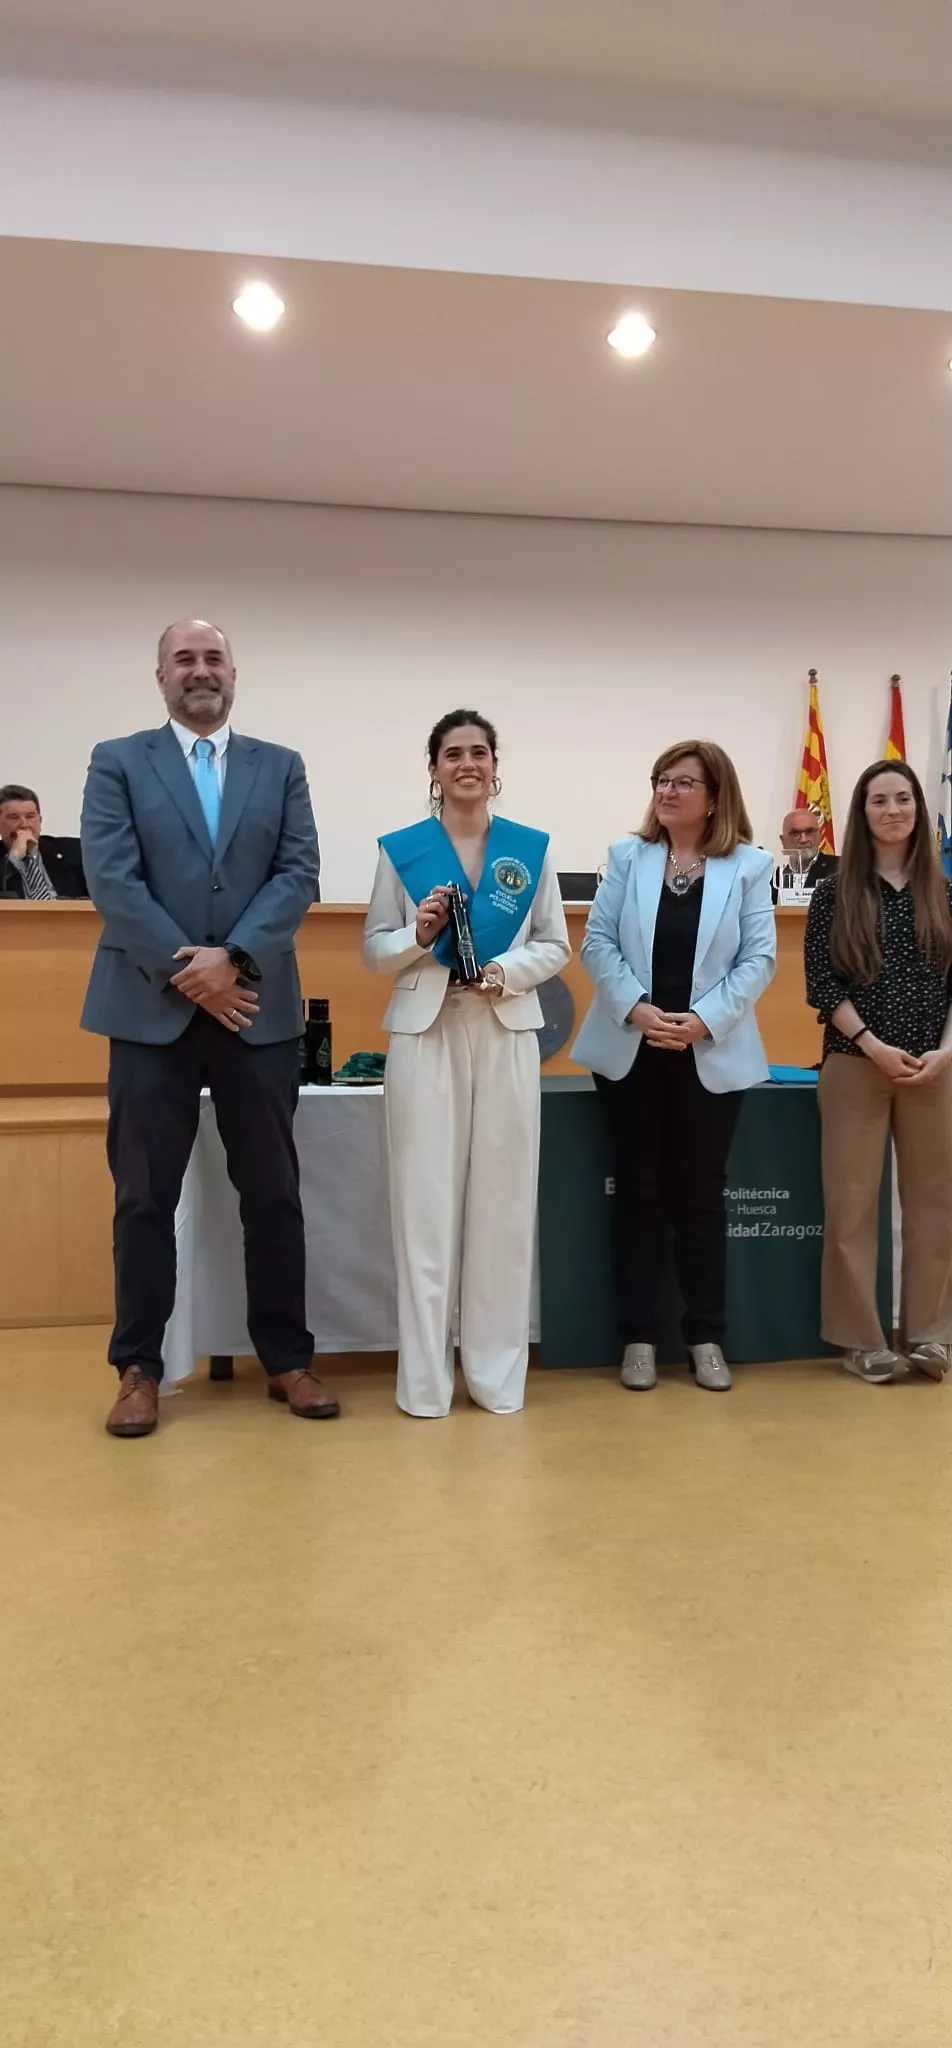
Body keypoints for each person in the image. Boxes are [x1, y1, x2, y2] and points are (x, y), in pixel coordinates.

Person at [81, 618, 339, 1437]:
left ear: (235, 672)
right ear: (159, 674)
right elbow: (111, 879)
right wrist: (192, 973)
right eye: (184, 658)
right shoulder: (117, 761)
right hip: (147, 1011)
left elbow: (297, 872)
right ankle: (138, 1369)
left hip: (255, 1011)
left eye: (214, 657)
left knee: (273, 1195)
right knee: (142, 1200)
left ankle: (289, 1360)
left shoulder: (282, 766)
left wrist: (234, 961)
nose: (201, 670)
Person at [362, 709, 570, 1418]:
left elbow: (553, 944)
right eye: (453, 754)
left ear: (494, 764)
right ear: (434, 768)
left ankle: (495, 1377)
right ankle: (424, 1384)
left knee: (504, 1208)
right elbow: (374, 947)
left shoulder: (529, 850)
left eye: (479, 752)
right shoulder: (404, 851)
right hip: (427, 1029)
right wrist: (418, 935)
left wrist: (506, 971)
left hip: (505, 1026)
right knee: (424, 1207)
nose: (467, 764)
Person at [572, 740, 776, 1393]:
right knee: (637, 1195)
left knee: (699, 1198)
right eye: (661, 780)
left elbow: (758, 961)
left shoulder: (748, 866)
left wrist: (704, 1019)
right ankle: (637, 1336)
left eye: (683, 782)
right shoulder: (626, 858)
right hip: (632, 1049)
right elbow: (597, 943)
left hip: (707, 1053)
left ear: (714, 796)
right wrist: (636, 1008)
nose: (667, 791)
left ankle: (705, 1335)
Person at [805, 758, 952, 1386]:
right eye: (878, 801)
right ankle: (862, 1339)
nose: (892, 810)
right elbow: (820, 983)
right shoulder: (835, 890)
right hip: (854, 1065)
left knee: (935, 1206)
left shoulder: (944, 891)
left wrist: (947, 1049)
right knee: (853, 1208)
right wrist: (871, 1044)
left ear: (919, 809)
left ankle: (931, 1334)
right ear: (861, 814)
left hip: (936, 1066)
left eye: (903, 799)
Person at [0, 783, 87, 899]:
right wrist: (14, 859)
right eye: (13, 817)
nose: (24, 825)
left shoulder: (75, 850)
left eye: (30, 816)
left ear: (40, 821)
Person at [771, 808, 837, 903]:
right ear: (783, 841)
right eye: (795, 833)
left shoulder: (841, 869)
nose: (803, 840)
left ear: (820, 836)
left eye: (809, 832)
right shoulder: (772, 879)